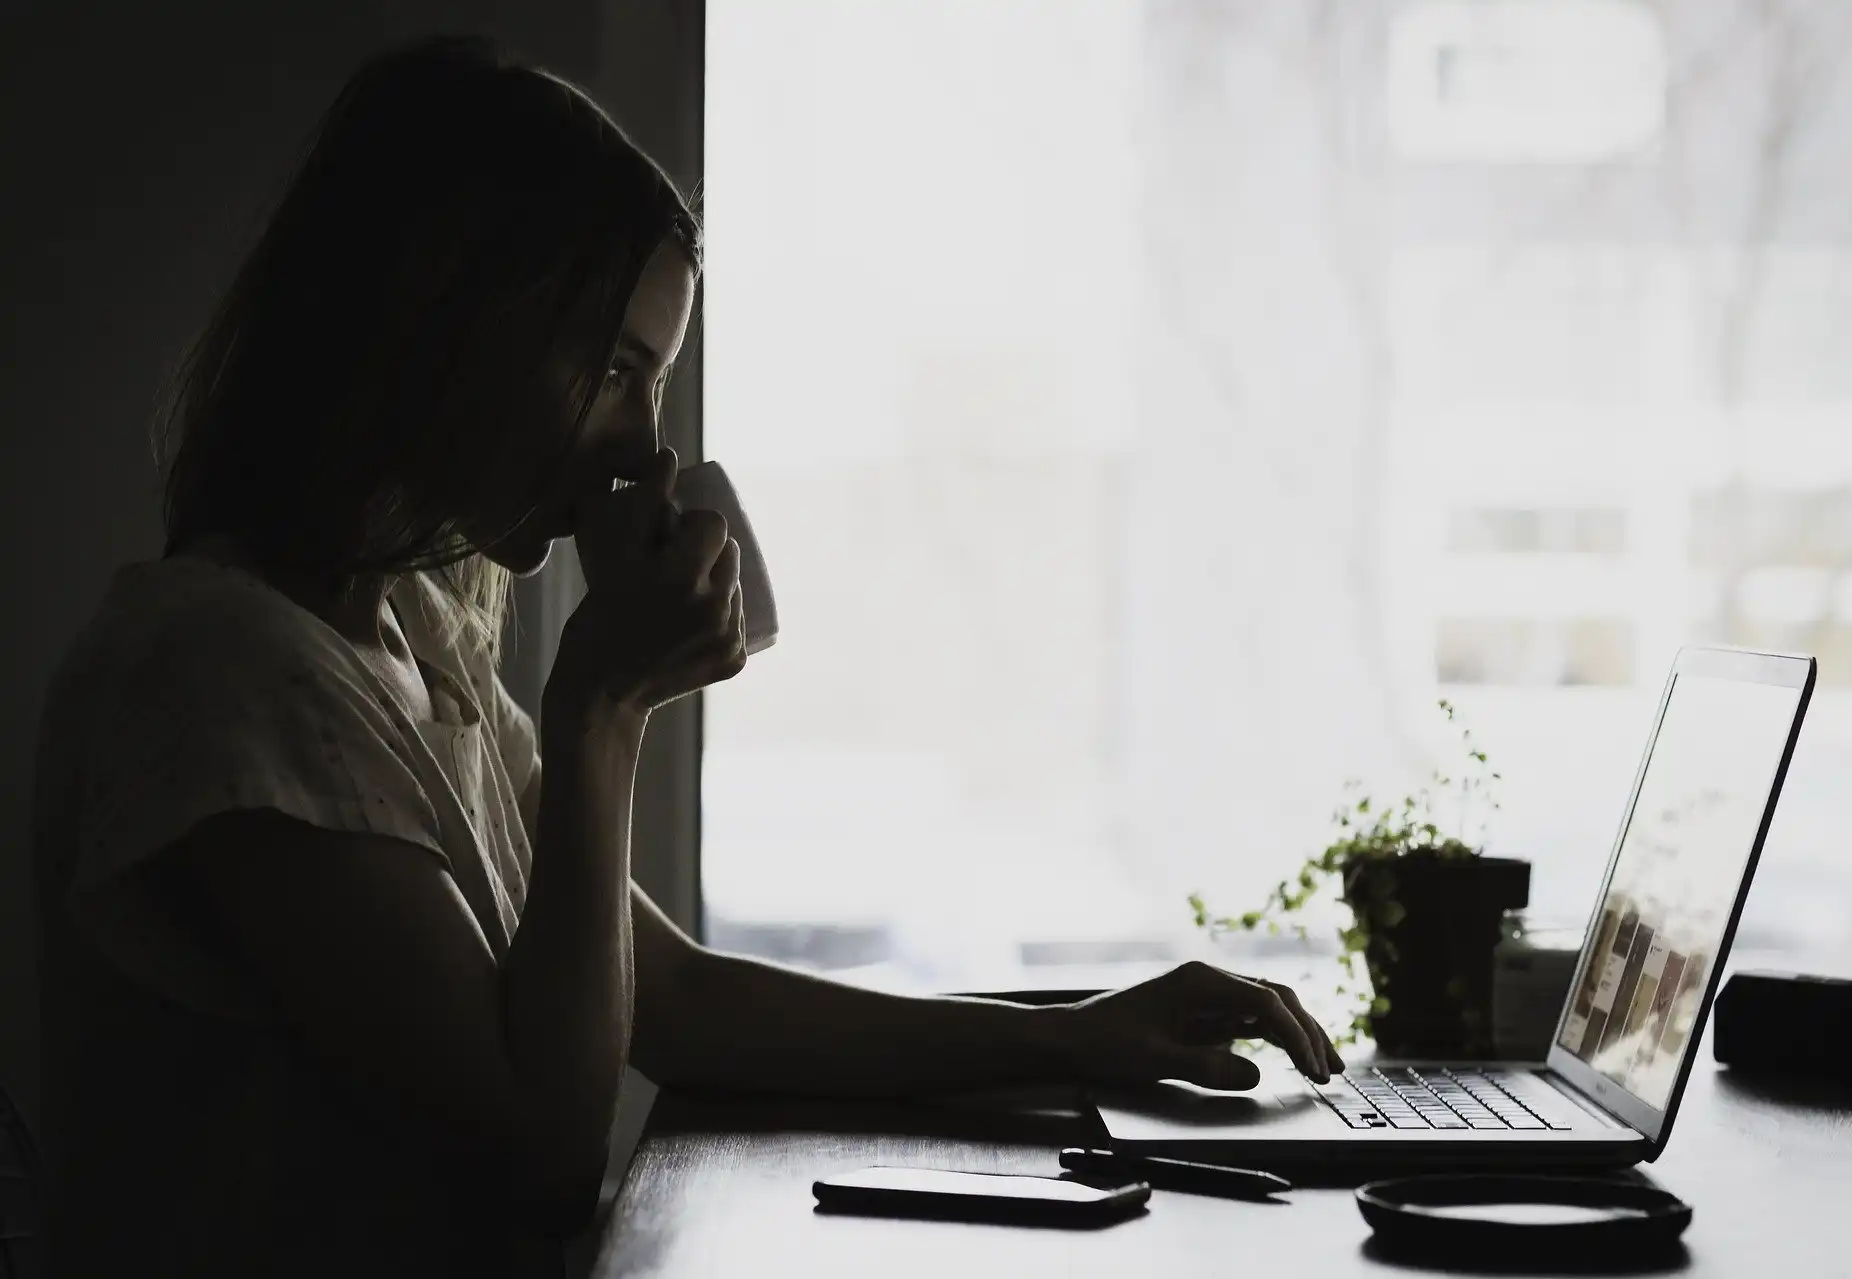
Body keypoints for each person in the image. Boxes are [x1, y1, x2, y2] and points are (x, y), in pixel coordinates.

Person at [30, 36, 1339, 1277]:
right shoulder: (220, 674)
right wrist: (603, 704)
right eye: (614, 367)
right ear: (446, 324)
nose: (645, 449)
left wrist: (1083, 1033)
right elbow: (539, 1144)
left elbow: (674, 997)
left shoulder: (411, 641)